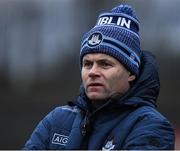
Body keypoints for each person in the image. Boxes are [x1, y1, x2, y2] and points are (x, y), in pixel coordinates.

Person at [23, 4, 175, 150]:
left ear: (131, 73)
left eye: (105, 64)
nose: (93, 72)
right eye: (88, 64)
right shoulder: (57, 120)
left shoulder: (150, 126)